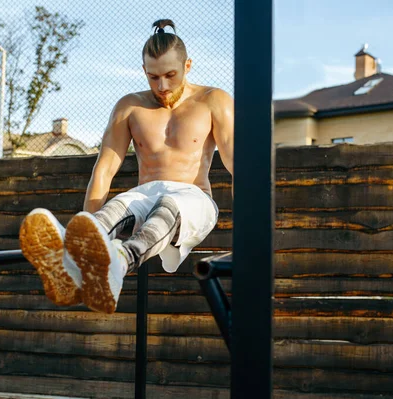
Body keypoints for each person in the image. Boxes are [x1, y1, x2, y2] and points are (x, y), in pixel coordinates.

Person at [19, 19, 234, 314]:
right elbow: (104, 170)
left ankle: (119, 262)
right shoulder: (130, 106)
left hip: (193, 198)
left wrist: (250, 233)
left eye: (170, 75)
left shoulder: (214, 100)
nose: (162, 86)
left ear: (188, 66)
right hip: (144, 194)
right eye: (153, 77)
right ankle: (72, 261)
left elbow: (238, 165)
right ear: (144, 71)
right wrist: (87, 229)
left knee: (170, 204)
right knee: (117, 207)